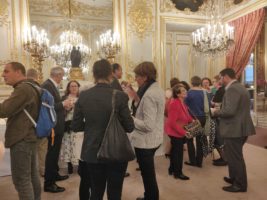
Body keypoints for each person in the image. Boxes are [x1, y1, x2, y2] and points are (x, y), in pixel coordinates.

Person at [72, 59, 134, 200]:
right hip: (116, 150)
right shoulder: (120, 96)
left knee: (96, 190)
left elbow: (75, 126)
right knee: (115, 192)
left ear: (94, 74)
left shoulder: (83, 96)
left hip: (92, 151)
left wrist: (91, 127)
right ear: (111, 74)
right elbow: (130, 127)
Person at [0, 62, 41, 199]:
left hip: (22, 138)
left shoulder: (23, 89)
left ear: (18, 72)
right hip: (29, 136)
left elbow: (4, 110)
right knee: (31, 176)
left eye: (6, 71)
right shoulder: (32, 86)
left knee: (21, 180)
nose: (3, 75)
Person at [211, 68, 255, 193]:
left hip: (234, 129)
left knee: (235, 157)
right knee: (233, 156)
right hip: (238, 127)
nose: (219, 80)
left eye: (220, 78)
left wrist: (215, 112)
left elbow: (229, 111)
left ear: (225, 77)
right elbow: (234, 108)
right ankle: (235, 178)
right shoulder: (239, 87)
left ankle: (240, 184)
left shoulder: (233, 89)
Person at [131, 62, 165, 200]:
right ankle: (149, 195)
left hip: (146, 141)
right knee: (148, 174)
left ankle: (151, 197)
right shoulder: (155, 89)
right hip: (153, 138)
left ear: (145, 77)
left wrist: (130, 118)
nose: (135, 79)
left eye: (137, 76)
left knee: (148, 175)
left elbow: (148, 125)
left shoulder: (149, 94)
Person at [42, 67, 72, 193]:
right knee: (52, 154)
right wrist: (63, 104)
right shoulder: (47, 85)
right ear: (58, 75)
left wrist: (64, 106)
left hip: (57, 124)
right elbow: (47, 107)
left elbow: (53, 104)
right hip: (53, 126)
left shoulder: (50, 85)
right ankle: (49, 184)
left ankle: (54, 175)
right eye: (62, 76)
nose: (62, 79)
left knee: (55, 153)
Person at [165, 85, 192, 180]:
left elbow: (186, 116)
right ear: (178, 94)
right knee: (178, 153)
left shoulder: (182, 102)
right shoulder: (174, 104)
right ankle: (178, 173)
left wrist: (192, 121)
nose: (186, 92)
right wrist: (184, 132)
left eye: (185, 90)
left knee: (175, 152)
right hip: (175, 132)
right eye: (183, 91)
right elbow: (171, 122)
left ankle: (172, 169)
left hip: (180, 131)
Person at [26, 68, 48, 177]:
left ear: (26, 76)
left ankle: (31, 172)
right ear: (37, 77)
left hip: (26, 126)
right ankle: (42, 170)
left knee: (29, 150)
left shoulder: (22, 88)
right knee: (42, 149)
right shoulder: (41, 90)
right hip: (41, 124)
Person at [184, 76, 208, 168]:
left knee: (189, 140)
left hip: (192, 118)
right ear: (200, 82)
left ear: (191, 82)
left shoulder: (188, 93)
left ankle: (193, 161)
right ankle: (199, 162)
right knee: (200, 140)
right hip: (203, 118)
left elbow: (184, 107)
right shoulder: (204, 92)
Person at [60, 80, 81, 174]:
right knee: (68, 144)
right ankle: (69, 165)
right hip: (67, 124)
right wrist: (66, 109)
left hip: (78, 124)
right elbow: (60, 111)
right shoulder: (64, 98)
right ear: (68, 88)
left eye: (75, 86)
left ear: (78, 87)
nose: (73, 88)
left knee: (77, 144)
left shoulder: (81, 98)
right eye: (71, 86)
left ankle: (79, 163)